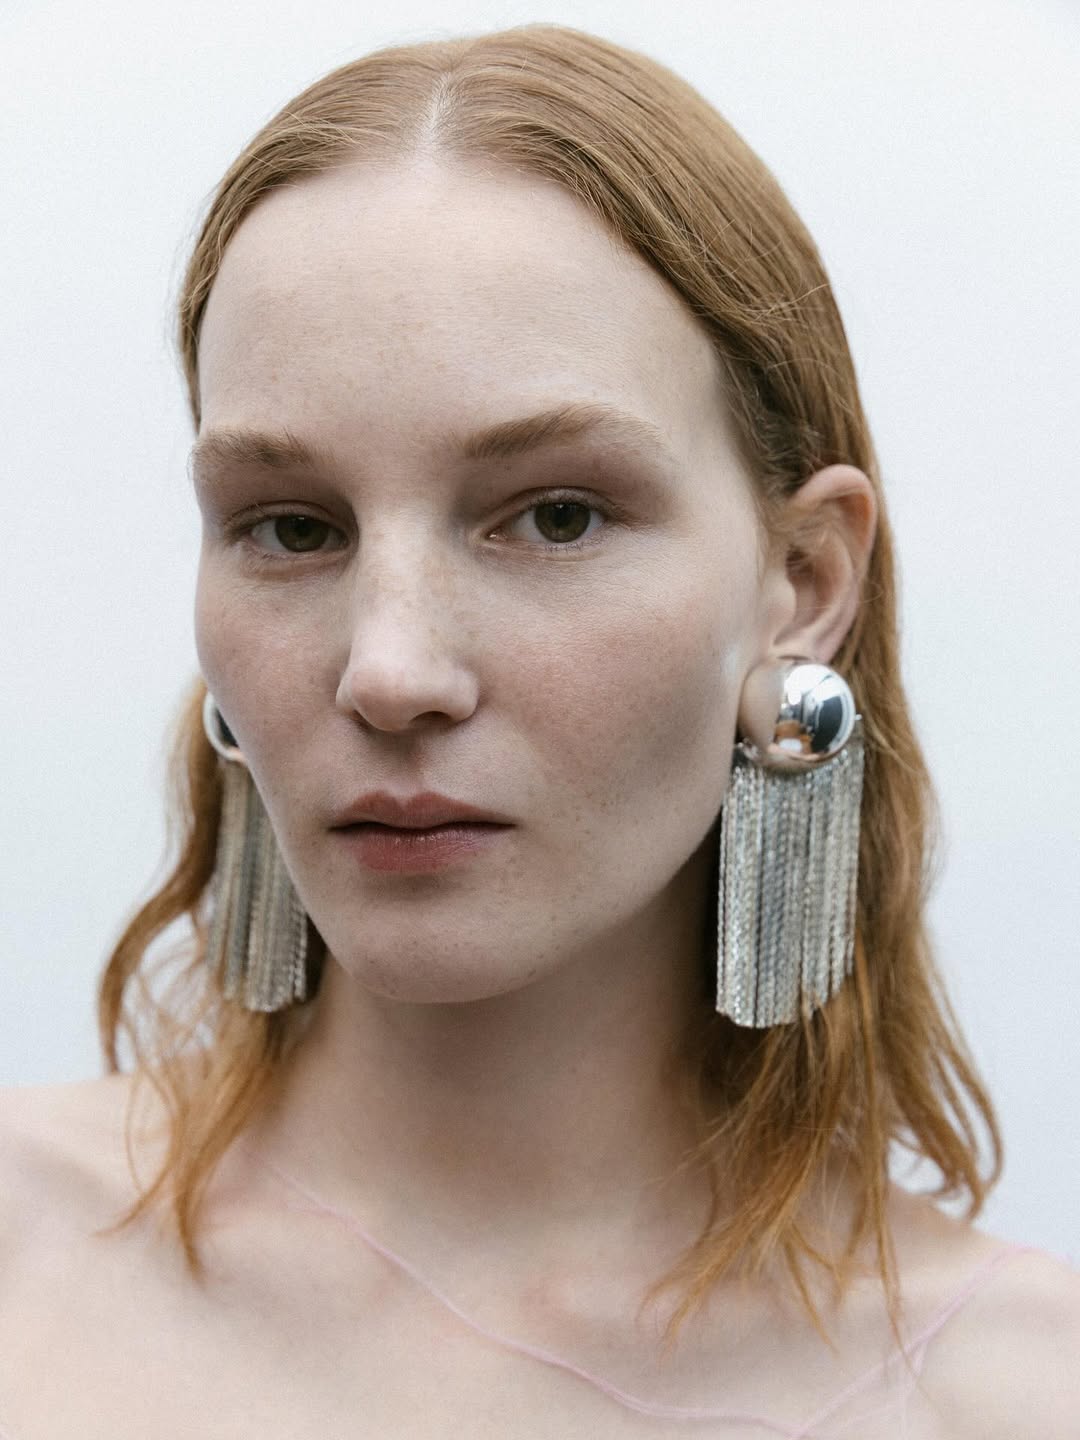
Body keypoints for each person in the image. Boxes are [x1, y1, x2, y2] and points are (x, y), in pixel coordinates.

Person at [1, 21, 1076, 1438]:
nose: (388, 672)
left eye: (556, 517)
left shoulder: (1015, 1394)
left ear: (805, 582)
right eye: (292, 528)